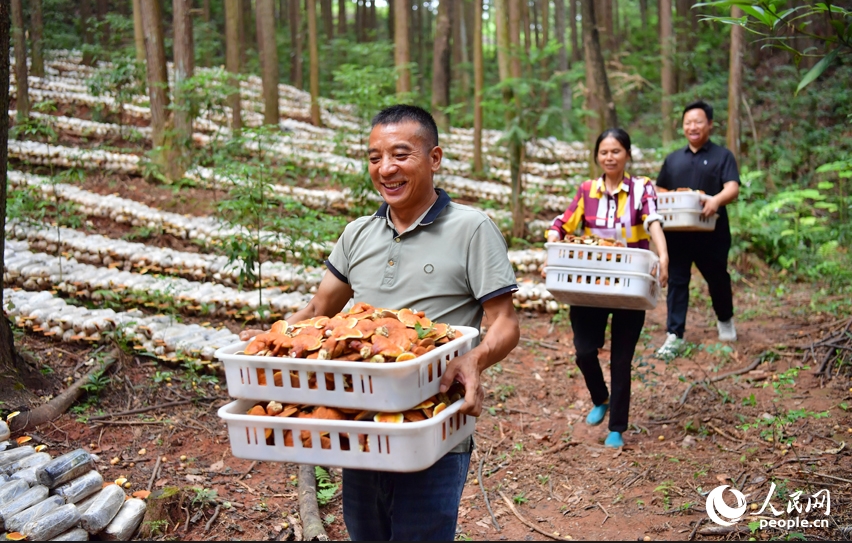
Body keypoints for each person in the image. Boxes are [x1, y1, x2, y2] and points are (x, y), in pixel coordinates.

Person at [242, 105, 520, 541]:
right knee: (366, 533)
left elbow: (504, 321)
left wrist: (476, 359)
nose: (385, 168)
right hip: (359, 422)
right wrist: (271, 339)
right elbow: (319, 309)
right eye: (375, 157)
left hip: (431, 426)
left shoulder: (472, 228)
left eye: (400, 154)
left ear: (435, 158)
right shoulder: (357, 233)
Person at [545, 128, 668, 448]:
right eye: (604, 152)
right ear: (597, 156)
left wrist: (664, 254)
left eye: (616, 151)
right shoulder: (588, 190)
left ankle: (617, 426)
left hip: (632, 284)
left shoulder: (641, 189)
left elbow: (653, 221)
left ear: (627, 154)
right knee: (585, 351)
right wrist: (554, 240)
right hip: (591, 282)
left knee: (621, 359)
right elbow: (564, 223)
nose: (609, 157)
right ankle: (601, 397)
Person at [655, 100, 740, 358]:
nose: (693, 127)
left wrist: (715, 200)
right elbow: (659, 189)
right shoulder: (673, 159)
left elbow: (732, 187)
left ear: (710, 125)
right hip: (677, 233)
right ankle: (675, 334)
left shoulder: (722, 156)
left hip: (711, 232)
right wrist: (672, 197)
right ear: (683, 127)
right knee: (678, 281)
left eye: (698, 122)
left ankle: (725, 319)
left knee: (717, 278)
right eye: (688, 122)